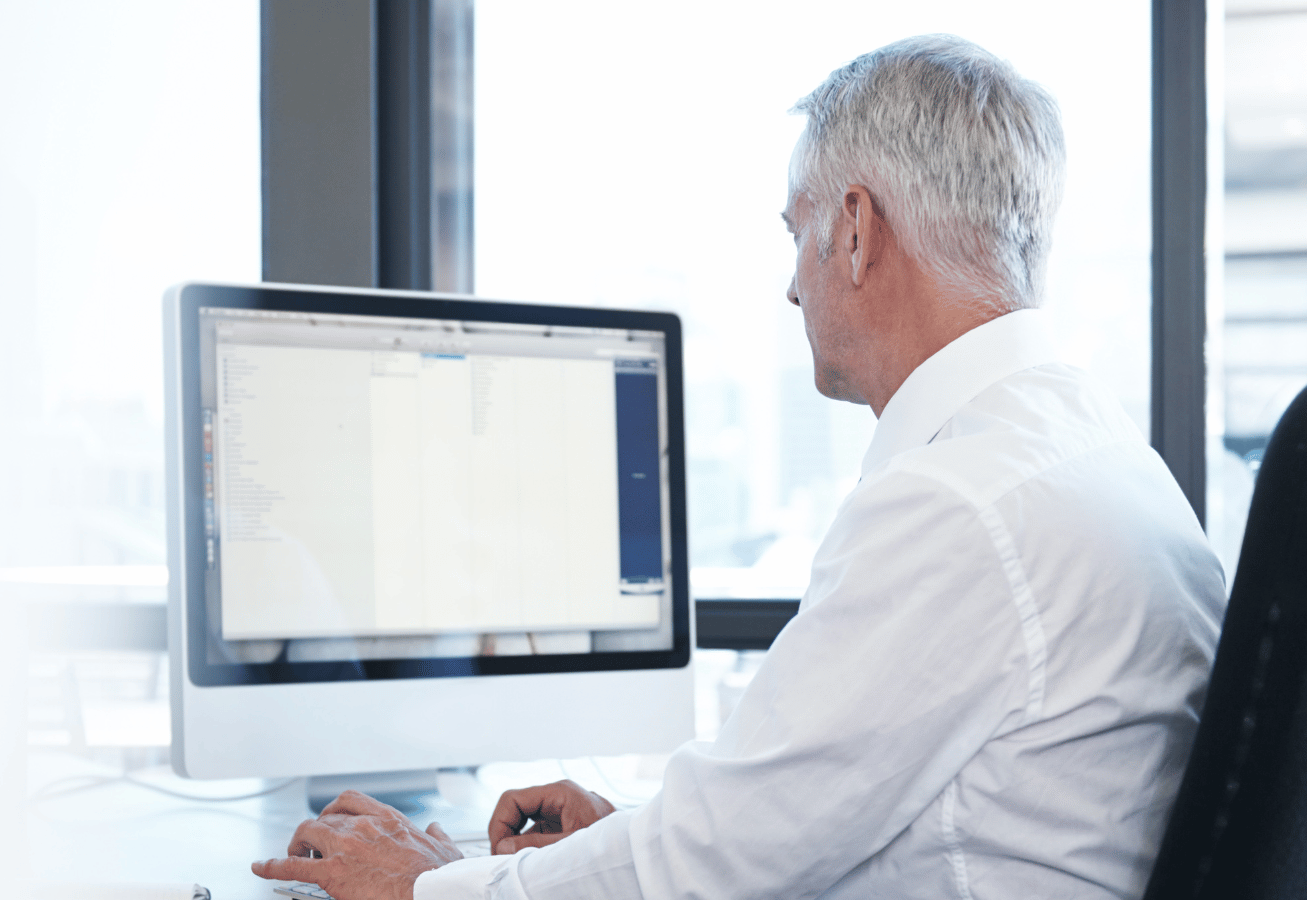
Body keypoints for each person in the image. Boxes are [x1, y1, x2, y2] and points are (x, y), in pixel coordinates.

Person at [252, 34, 1227, 900]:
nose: (792, 284)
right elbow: (807, 825)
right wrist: (647, 838)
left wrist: (439, 887)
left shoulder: (961, 506)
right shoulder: (1087, 452)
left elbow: (709, 868)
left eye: (795, 231)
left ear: (855, 228)